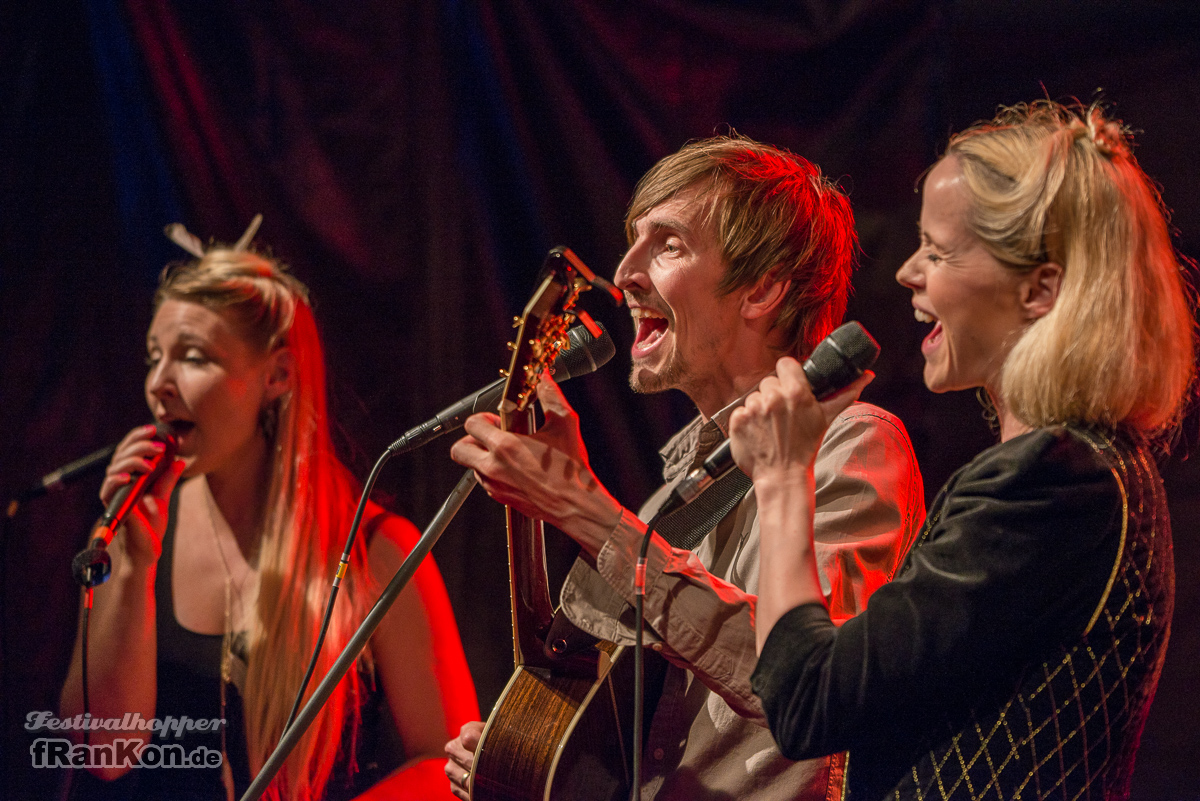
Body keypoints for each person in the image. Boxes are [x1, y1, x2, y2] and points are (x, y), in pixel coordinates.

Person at [444, 136, 925, 800]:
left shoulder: (853, 443)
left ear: (761, 288)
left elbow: (804, 686)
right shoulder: (676, 494)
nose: (624, 274)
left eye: (667, 245)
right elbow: (619, 721)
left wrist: (585, 506)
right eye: (631, 242)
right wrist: (531, 762)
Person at [744, 101, 1193, 799]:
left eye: (937, 251)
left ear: (1040, 288)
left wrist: (782, 475)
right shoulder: (1083, 471)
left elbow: (808, 702)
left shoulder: (1052, 482)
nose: (906, 273)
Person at [60, 222, 480, 801]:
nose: (160, 384)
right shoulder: (128, 529)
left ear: (278, 375)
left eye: (193, 357)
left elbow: (448, 764)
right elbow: (100, 754)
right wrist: (132, 567)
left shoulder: (377, 548)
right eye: (155, 357)